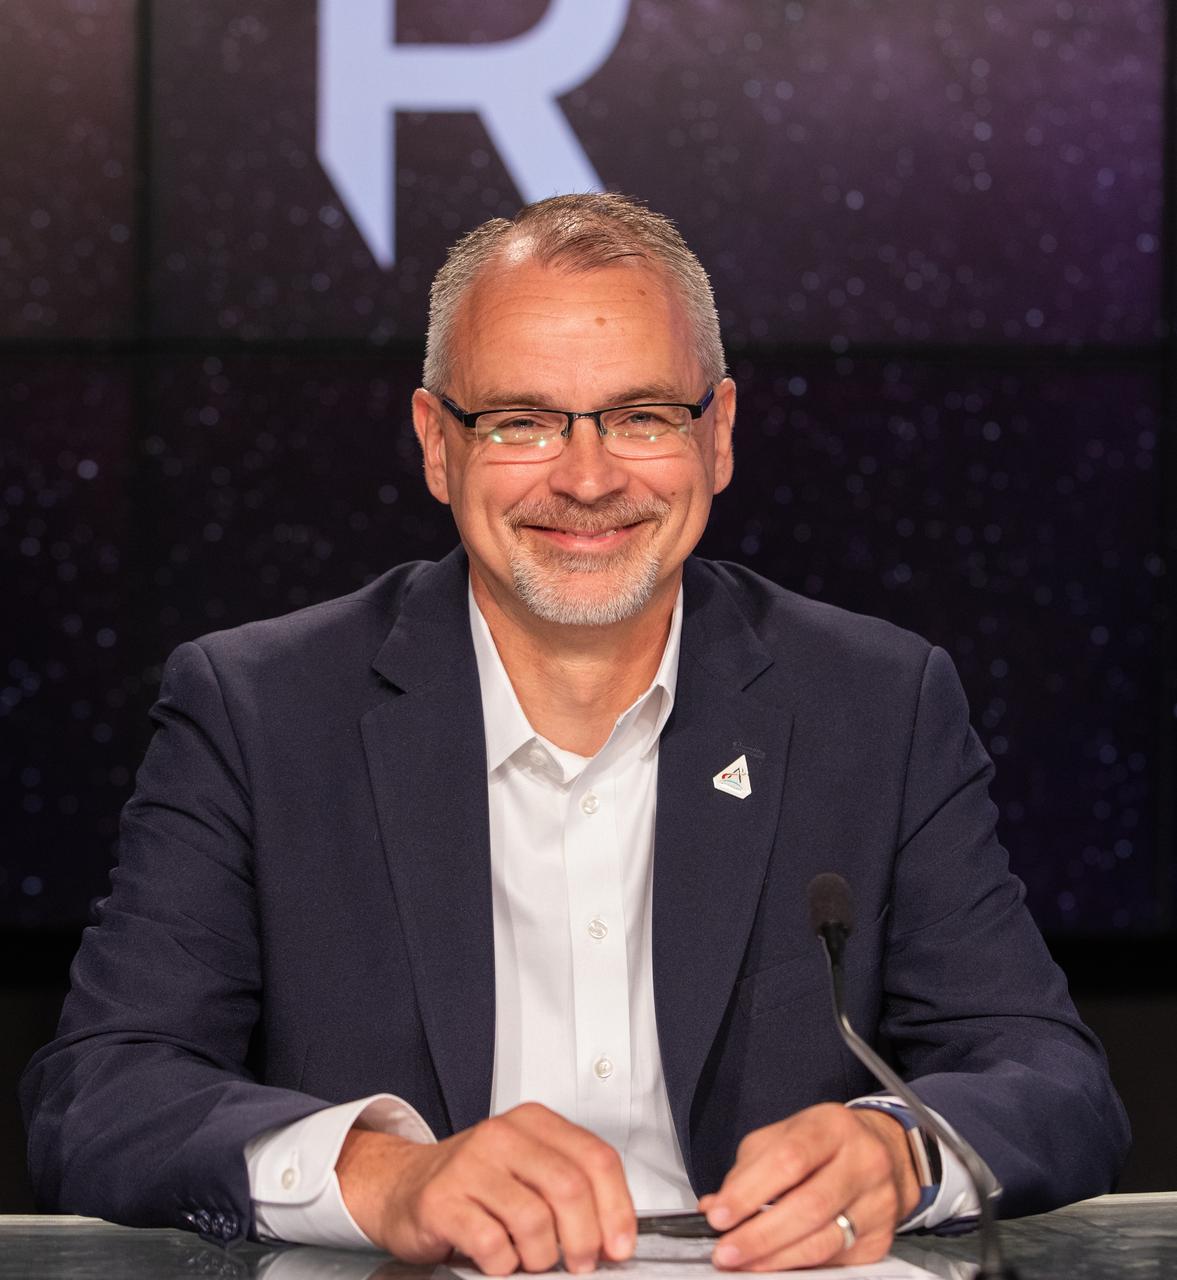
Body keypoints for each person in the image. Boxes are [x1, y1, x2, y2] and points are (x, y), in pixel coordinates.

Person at [22, 193, 1129, 1274]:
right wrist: (384, 1177)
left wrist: (897, 1150)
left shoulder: (876, 702)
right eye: (521, 420)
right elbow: (102, 1093)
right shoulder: (259, 710)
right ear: (437, 445)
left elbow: (1051, 1080)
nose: (587, 478)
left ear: (718, 436)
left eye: (641, 416)